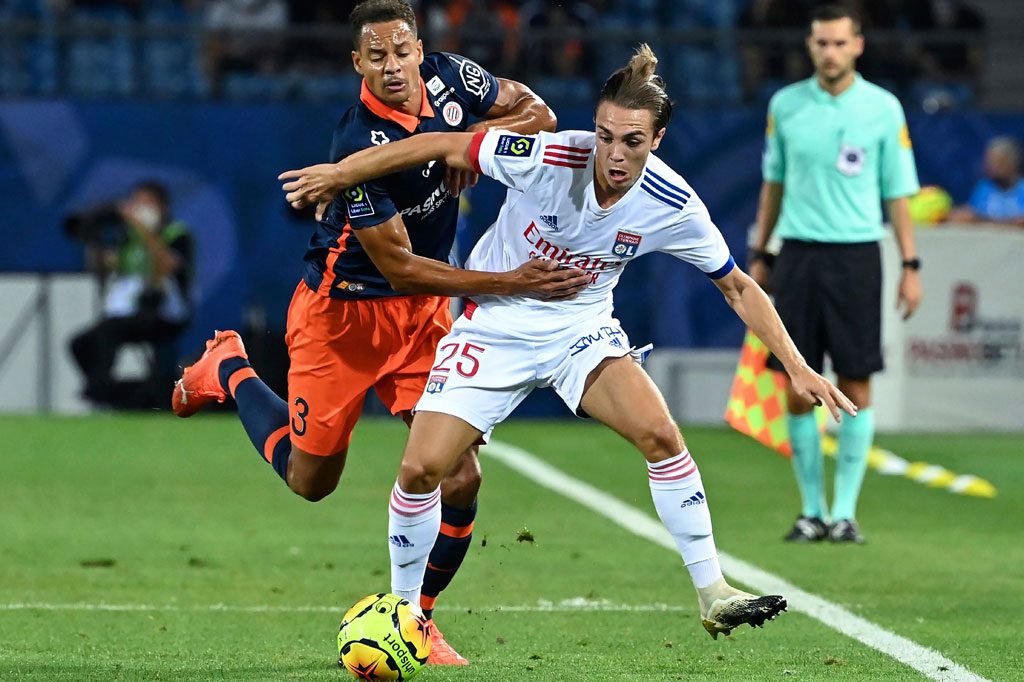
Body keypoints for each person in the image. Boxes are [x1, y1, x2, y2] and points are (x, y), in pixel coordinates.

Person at [280, 44, 858, 640]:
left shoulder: (674, 205)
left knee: (660, 434)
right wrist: (343, 172)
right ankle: (402, 616)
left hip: (579, 331)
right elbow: (443, 145)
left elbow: (737, 287)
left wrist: (797, 366)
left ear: (657, 140)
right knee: (423, 468)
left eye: (631, 142)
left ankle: (713, 592)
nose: (612, 153)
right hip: (496, 324)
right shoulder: (548, 155)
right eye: (605, 135)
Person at [170, 0, 587, 665]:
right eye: (376, 56)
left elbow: (538, 113)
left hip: (417, 324)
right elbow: (400, 266)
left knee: (461, 475)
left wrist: (473, 149)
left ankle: (418, 619)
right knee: (312, 483)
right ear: (356, 62)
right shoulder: (358, 142)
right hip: (343, 317)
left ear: (420, 49)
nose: (392, 67)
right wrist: (510, 281)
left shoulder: (456, 79)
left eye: (401, 51)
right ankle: (230, 368)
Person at [747, 5, 922, 544]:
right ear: (810, 44)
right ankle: (811, 510)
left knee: (855, 381)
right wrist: (761, 251)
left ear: (858, 45)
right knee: (798, 384)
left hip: (857, 256)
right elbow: (773, 183)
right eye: (822, 43)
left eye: (840, 43)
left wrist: (910, 265)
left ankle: (845, 512)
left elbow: (897, 193)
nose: (830, 52)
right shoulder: (786, 105)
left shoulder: (884, 109)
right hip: (797, 253)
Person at [69, 180, 193, 409]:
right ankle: (108, 392)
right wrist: (91, 237)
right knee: (80, 344)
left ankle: (101, 391)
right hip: (130, 312)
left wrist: (143, 230)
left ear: (163, 207)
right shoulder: (128, 238)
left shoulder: (176, 233)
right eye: (136, 202)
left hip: (165, 312)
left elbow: (168, 265)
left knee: (111, 332)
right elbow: (106, 264)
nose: (139, 208)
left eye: (147, 202)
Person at [947, 136, 1024, 226]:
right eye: (990, 162)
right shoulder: (984, 188)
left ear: (1013, 162)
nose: (993, 167)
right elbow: (971, 215)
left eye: (999, 162)